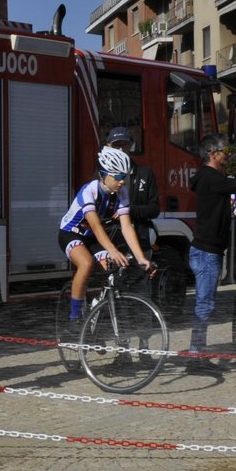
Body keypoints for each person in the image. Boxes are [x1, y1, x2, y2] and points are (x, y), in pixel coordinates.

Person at [185, 133, 236, 369]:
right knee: (204, 305)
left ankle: (197, 353)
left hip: (206, 251)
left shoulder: (208, 178)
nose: (227, 155)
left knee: (204, 303)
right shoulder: (210, 177)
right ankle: (195, 356)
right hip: (206, 253)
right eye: (224, 151)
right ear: (212, 154)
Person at [57, 145, 151, 327]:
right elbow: (96, 225)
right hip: (71, 233)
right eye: (117, 177)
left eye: (125, 176)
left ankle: (94, 318)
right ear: (103, 173)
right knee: (86, 263)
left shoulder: (121, 193)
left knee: (114, 269)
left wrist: (141, 258)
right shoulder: (88, 191)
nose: (122, 181)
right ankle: (74, 317)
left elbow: (126, 227)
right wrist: (112, 249)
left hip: (92, 237)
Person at [106, 127, 158, 251]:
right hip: (110, 238)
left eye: (124, 144)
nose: (120, 149)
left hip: (139, 237)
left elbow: (155, 209)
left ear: (131, 145)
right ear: (108, 146)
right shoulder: (101, 174)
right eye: (116, 145)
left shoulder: (145, 173)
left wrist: (128, 211)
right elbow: (95, 209)